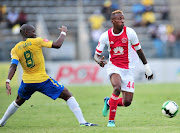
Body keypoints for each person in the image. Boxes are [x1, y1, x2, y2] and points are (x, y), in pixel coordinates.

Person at [0, 24, 98, 127]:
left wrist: (8, 80)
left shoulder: (15, 49)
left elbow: (13, 66)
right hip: (42, 80)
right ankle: (82, 122)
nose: (35, 33)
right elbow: (57, 44)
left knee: (18, 101)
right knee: (68, 95)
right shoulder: (37, 41)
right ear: (26, 33)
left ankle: (2, 121)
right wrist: (63, 32)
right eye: (33, 31)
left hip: (27, 82)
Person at [94, 10, 153, 127]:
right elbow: (96, 54)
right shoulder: (105, 36)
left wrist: (147, 68)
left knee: (127, 102)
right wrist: (98, 60)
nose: (122, 21)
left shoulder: (130, 32)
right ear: (113, 21)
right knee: (117, 88)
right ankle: (111, 121)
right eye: (120, 19)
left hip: (128, 69)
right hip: (114, 67)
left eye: (123, 18)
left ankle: (109, 102)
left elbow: (139, 50)